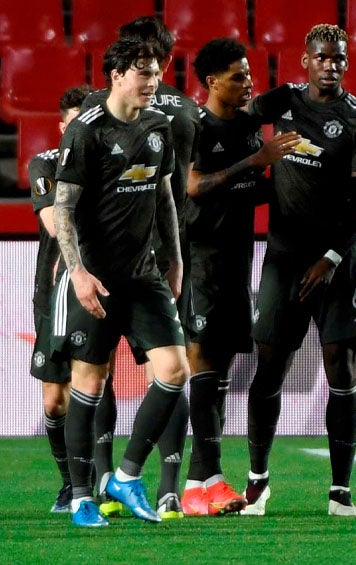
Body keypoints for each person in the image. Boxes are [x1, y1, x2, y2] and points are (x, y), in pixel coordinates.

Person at [243, 23, 356, 517]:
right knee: (268, 370)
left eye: (340, 59)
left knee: (341, 370)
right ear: (306, 60)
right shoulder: (281, 102)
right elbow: (230, 120)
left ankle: (340, 492)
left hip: (338, 263)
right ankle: (257, 483)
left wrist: (332, 257)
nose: (331, 65)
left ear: (348, 63)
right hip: (283, 258)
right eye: (323, 57)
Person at [52, 37, 190, 527]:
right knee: (89, 383)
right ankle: (82, 497)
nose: (152, 83)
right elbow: (63, 209)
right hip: (96, 279)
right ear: (116, 76)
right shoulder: (86, 132)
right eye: (142, 74)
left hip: (145, 274)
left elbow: (166, 196)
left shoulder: (159, 126)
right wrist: (79, 274)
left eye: (156, 73)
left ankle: (128, 476)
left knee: (174, 371)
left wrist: (174, 261)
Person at [179, 38, 300, 517]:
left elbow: (249, 190)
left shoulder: (249, 123)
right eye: (237, 76)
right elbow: (193, 187)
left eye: (249, 74)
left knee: (220, 376)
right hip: (202, 259)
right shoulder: (197, 125)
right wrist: (256, 162)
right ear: (211, 82)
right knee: (203, 372)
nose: (248, 82)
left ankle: (201, 484)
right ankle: (199, 483)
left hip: (238, 258)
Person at [28, 84, 93, 513]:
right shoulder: (45, 163)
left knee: (93, 387)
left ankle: (98, 482)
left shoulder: (109, 163)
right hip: (54, 295)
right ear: (62, 126)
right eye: (71, 124)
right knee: (55, 399)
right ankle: (69, 482)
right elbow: (55, 225)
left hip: (102, 290)